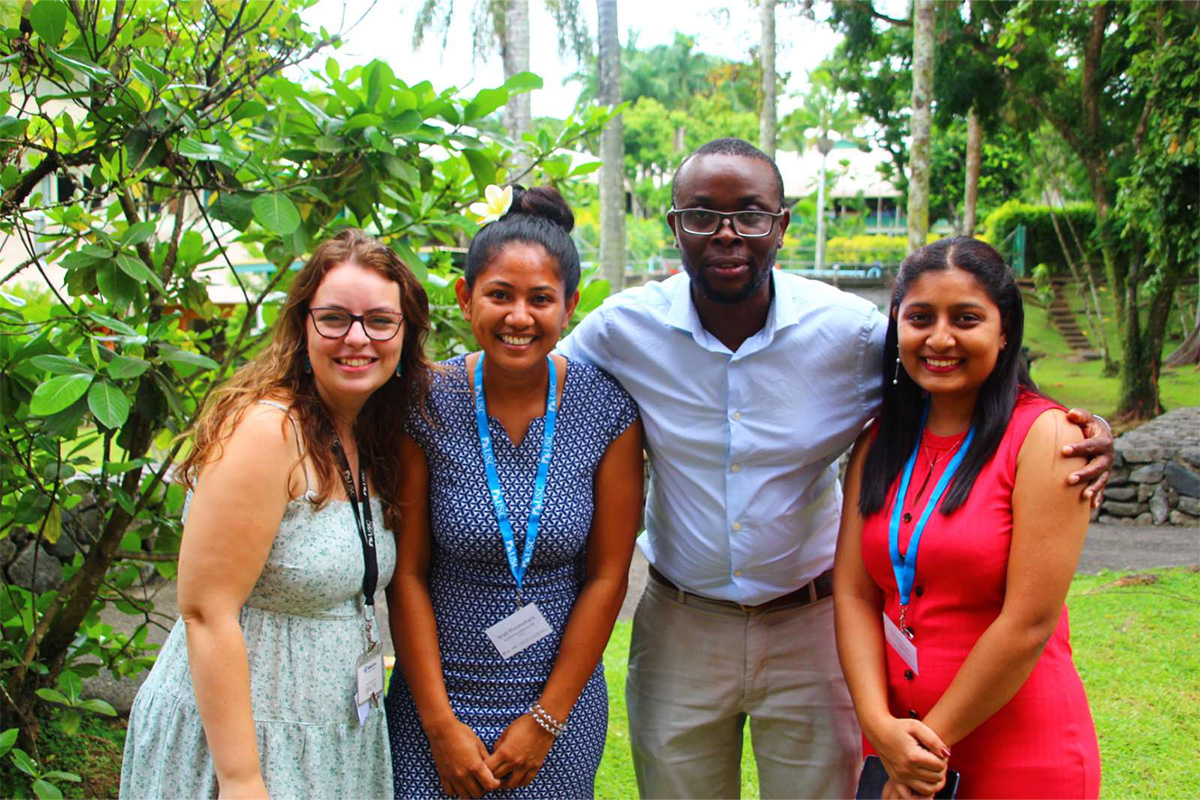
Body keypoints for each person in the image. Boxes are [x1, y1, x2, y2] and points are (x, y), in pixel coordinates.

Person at [556, 137, 1113, 798]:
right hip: (682, 621)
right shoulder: (622, 330)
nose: (728, 235)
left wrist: (1075, 425)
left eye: (751, 216)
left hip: (811, 624)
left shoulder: (849, 333)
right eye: (702, 215)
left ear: (782, 225)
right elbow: (535, 382)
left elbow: (955, 366)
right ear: (675, 225)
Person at [119, 229, 432, 799]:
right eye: (334, 318)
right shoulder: (268, 430)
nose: (357, 338)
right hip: (240, 744)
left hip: (328, 736)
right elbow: (206, 611)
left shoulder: (364, 431)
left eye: (380, 321)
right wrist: (241, 781)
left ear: (405, 334)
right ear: (302, 325)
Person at [385, 185, 644, 799]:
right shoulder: (425, 400)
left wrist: (545, 721)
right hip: (436, 698)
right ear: (466, 297)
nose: (519, 317)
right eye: (499, 295)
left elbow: (608, 575)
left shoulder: (605, 410)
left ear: (571, 305)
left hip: (557, 704)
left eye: (541, 299)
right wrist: (439, 723)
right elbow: (409, 573)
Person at [833, 237, 1100, 799]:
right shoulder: (878, 441)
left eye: (967, 318)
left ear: (1005, 333)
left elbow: (1028, 621)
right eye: (921, 317)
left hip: (1015, 750)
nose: (940, 338)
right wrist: (880, 729)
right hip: (898, 740)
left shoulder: (1048, 437)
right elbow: (855, 593)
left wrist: (924, 748)